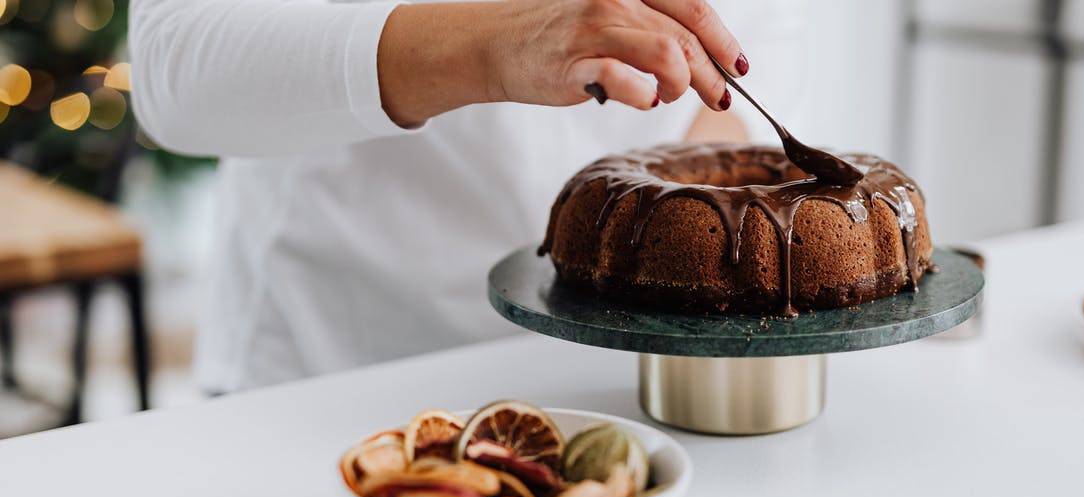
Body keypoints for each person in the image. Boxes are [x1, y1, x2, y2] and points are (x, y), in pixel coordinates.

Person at [129, 0, 802, 393]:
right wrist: (489, 47)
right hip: (330, 370)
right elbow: (173, 71)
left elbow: (750, 48)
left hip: (621, 389)